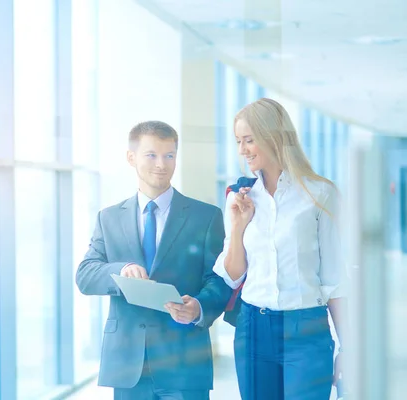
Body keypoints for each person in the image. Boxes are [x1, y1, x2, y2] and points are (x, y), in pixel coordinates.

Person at [76, 121, 232, 400]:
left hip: (183, 361)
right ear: (131, 157)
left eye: (169, 155)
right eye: (151, 155)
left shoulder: (205, 217)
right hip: (127, 364)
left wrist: (198, 307)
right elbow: (86, 275)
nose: (161, 164)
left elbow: (219, 280)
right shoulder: (109, 218)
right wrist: (121, 270)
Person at [213, 98, 347, 400]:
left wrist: (348, 348)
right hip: (253, 328)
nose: (242, 150)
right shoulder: (240, 197)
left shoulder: (319, 193)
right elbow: (233, 275)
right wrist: (237, 226)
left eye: (249, 140)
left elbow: (335, 279)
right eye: (238, 141)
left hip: (306, 329)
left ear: (274, 136)